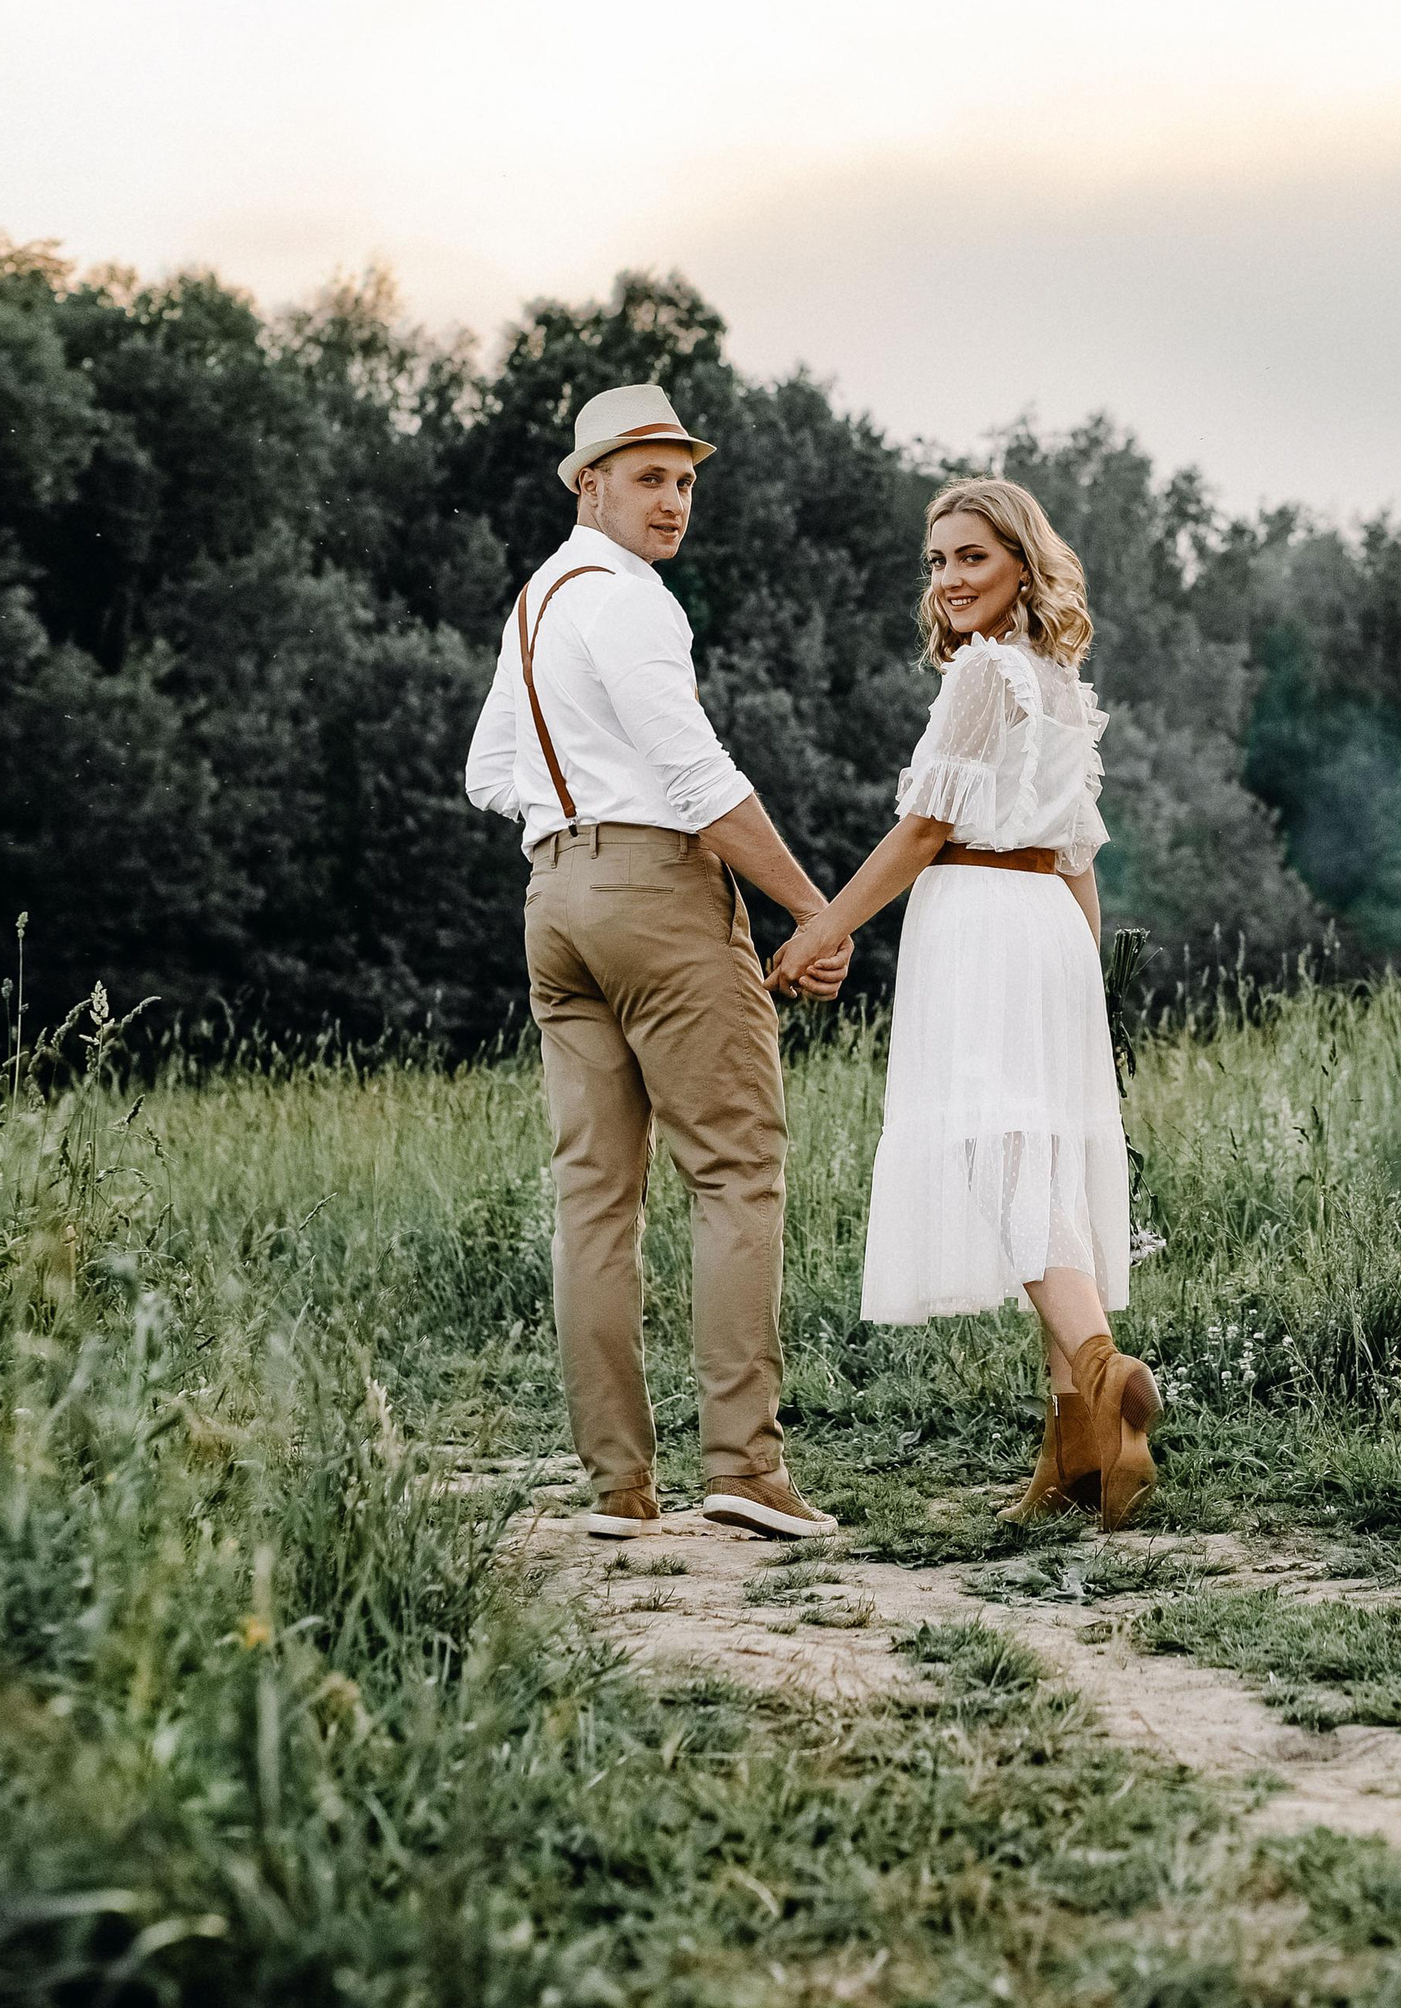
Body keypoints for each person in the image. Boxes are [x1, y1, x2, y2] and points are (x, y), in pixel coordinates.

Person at [464, 380, 851, 1542]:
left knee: (595, 1200)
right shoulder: (629, 601)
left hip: (555, 900)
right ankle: (743, 1464)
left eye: (683, 479)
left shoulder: (533, 603)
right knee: (736, 1169)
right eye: (647, 476)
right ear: (589, 484)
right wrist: (814, 909)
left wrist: (564, 819)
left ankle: (619, 1489)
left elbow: (487, 772)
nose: (673, 500)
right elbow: (697, 776)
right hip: (654, 891)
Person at [766, 478, 1159, 1527]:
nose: (947, 581)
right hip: (1047, 929)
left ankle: (1101, 1368)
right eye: (936, 562)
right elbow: (1079, 853)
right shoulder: (1060, 681)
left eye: (971, 558)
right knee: (1040, 1162)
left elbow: (922, 829)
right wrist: (1085, 986)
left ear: (1022, 564)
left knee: (996, 1153)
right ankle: (1076, 1456)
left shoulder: (985, 675)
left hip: (983, 922)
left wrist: (824, 925)